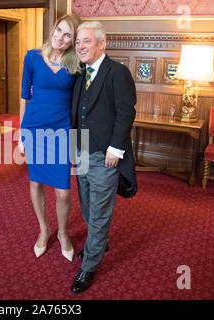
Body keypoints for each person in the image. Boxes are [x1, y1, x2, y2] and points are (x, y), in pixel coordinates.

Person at [70, 21, 137, 294]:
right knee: (86, 205)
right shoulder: (80, 74)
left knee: (98, 213)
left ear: (101, 43)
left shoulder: (117, 72)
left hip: (105, 155)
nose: (80, 46)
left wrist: (115, 149)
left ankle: (90, 265)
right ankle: (99, 241)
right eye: (77, 42)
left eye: (86, 41)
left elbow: (126, 113)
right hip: (81, 151)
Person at [19, 14, 82, 261]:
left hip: (61, 129)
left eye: (68, 35)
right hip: (34, 127)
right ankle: (44, 230)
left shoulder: (76, 64)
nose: (60, 37)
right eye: (59, 31)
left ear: (73, 40)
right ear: (53, 29)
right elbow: (24, 96)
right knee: (35, 183)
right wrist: (21, 134)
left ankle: (63, 233)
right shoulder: (32, 57)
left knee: (63, 191)